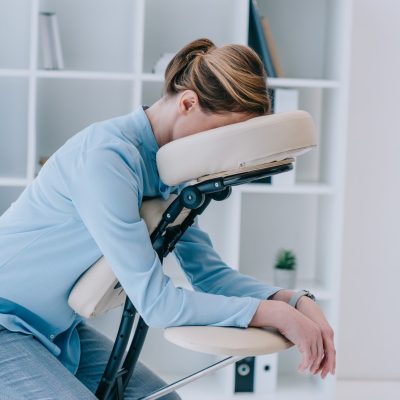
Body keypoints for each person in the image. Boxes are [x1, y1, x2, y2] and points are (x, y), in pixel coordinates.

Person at [0, 38, 335, 399]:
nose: (221, 154)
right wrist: (274, 315)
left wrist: (292, 301)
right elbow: (157, 304)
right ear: (188, 103)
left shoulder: (168, 173)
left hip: (54, 332)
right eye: (222, 135)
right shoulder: (107, 159)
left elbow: (210, 276)